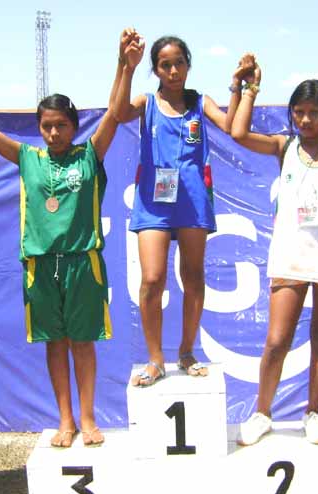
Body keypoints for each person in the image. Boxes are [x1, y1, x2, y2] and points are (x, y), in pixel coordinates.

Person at [0, 30, 130, 449]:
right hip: (40, 265)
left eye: (61, 125)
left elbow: (114, 111)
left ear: (73, 126)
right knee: (54, 344)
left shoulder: (89, 155)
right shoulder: (27, 158)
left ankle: (89, 418)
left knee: (83, 343)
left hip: (81, 262)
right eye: (47, 126)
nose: (53, 132)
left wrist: (124, 64)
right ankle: (66, 420)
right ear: (39, 129)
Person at [230, 62, 318, 445]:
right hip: (290, 255)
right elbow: (238, 132)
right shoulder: (283, 146)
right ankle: (262, 412)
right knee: (276, 340)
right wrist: (246, 88)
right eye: (299, 112)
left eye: (314, 113)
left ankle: (313, 412)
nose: (306, 120)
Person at [113, 33, 251, 386]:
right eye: (164, 65)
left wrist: (238, 87)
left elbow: (231, 127)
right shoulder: (147, 102)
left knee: (193, 278)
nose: (173, 71)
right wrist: (124, 66)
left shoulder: (199, 103)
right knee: (152, 279)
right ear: (156, 70)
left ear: (188, 65)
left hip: (192, 200)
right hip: (153, 202)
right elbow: (116, 113)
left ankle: (187, 352)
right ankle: (155, 358)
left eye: (179, 63)